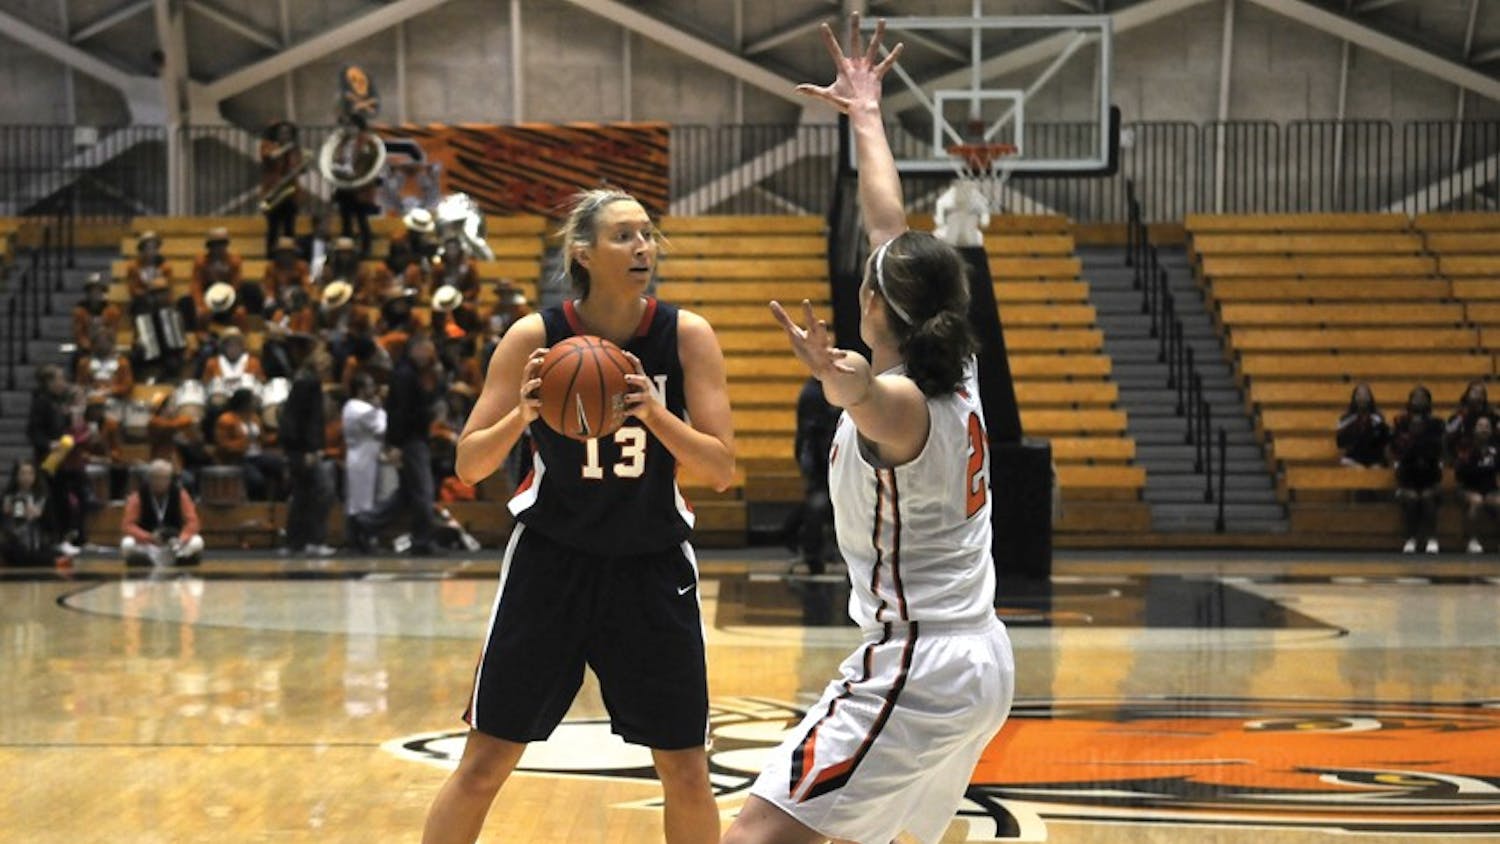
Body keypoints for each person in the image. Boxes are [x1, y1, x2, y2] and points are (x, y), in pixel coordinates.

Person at [722, 17, 1014, 844]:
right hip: (976, 655)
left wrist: (835, 378)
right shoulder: (954, 362)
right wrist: (866, 115)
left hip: (916, 664)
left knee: (756, 834)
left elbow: (875, 405)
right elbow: (890, 227)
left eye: (868, 281)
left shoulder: (902, 400)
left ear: (876, 305)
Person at [417, 185, 736, 844]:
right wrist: (525, 413)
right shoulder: (536, 336)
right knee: (484, 761)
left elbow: (721, 471)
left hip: (651, 565)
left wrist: (654, 411)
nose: (642, 246)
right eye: (624, 235)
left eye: (647, 234)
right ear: (583, 253)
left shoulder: (686, 336)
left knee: (684, 767)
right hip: (550, 563)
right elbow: (469, 465)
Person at [347, 334, 445, 555]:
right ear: (415, 349)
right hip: (410, 440)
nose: (430, 355)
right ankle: (421, 540)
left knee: (406, 495)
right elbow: (398, 413)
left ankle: (363, 523)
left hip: (414, 438)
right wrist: (397, 444)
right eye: (426, 349)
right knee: (422, 491)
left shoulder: (414, 374)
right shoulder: (404, 375)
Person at [278, 344, 336, 557]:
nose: (325, 368)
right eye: (322, 363)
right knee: (319, 495)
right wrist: (312, 449)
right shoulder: (309, 384)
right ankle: (313, 540)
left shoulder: (302, 381)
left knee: (302, 496)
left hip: (298, 449)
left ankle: (295, 542)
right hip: (305, 451)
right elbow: (308, 421)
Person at [26, 366, 85, 557]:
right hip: (48, 461)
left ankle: (63, 538)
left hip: (62, 459)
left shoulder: (58, 402)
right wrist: (48, 444)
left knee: (62, 498)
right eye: (59, 379)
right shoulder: (41, 403)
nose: (63, 383)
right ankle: (54, 538)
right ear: (49, 382)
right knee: (52, 499)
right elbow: (33, 432)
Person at [783, 376, 839, 575]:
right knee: (817, 504)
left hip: (829, 459)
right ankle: (812, 556)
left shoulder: (828, 390)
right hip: (819, 463)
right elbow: (808, 437)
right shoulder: (814, 393)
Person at [1390, 384, 1446, 554]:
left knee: (1428, 498)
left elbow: (1439, 449)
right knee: (1413, 499)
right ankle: (1410, 538)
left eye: (1423, 397)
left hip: (1430, 477)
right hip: (1407, 478)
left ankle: (1432, 538)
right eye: (1415, 397)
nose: (1419, 400)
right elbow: (1395, 449)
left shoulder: (1437, 424)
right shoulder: (1400, 422)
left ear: (1429, 402)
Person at [121, 460, 203, 567]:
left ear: (170, 479)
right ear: (150, 478)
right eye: (156, 477)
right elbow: (127, 525)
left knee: (197, 541)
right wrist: (149, 537)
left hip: (174, 544)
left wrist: (181, 539)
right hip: (148, 544)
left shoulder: (180, 494)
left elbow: (193, 522)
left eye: (164, 478)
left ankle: (180, 558)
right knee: (127, 543)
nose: (160, 481)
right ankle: (147, 561)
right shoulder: (138, 496)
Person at [214, 388, 284, 501]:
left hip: (257, 455)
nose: (254, 403)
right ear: (244, 403)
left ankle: (278, 500)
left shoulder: (254, 417)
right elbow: (223, 445)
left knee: (280, 464)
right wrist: (244, 442)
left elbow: (263, 439)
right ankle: (255, 504)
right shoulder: (226, 420)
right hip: (238, 458)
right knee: (256, 479)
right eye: (252, 400)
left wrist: (278, 435)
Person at [342, 371, 387, 539]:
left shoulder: (357, 407)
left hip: (366, 456)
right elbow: (381, 428)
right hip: (361, 457)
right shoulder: (356, 407)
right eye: (370, 385)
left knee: (364, 498)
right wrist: (379, 408)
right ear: (360, 389)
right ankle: (359, 539)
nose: (373, 389)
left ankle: (363, 537)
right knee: (360, 500)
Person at [330, 112, 381, 258]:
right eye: (347, 126)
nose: (349, 129)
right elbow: (337, 160)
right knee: (345, 220)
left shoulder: (366, 142)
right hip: (344, 186)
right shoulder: (342, 143)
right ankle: (347, 249)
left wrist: (356, 173)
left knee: (361, 219)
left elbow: (368, 161)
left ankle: (366, 249)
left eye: (352, 125)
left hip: (360, 187)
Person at [1454, 414, 1500, 554]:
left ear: (1492, 430)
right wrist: (1480, 463)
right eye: (1480, 426)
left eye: (1487, 427)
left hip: (1490, 489)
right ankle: (1472, 540)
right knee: (1477, 501)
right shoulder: (1465, 446)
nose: (1484, 429)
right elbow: (1461, 473)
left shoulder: (1496, 449)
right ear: (1474, 429)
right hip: (1467, 488)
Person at [259, 120, 303, 258]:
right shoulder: (268, 145)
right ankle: (270, 255)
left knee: (289, 227)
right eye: (282, 133)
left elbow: (300, 166)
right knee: (273, 227)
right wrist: (286, 148)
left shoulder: (295, 150)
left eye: (288, 133)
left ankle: (290, 254)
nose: (285, 135)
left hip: (290, 191)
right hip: (274, 191)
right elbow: (270, 157)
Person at [2, 459, 52, 567]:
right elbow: (17, 517)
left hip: (36, 541)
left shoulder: (42, 496)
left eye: (30, 473)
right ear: (16, 476)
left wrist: (34, 512)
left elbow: (44, 519)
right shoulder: (8, 496)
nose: (26, 477)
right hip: (14, 541)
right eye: (23, 473)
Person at [189, 227, 243, 325]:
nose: (218, 248)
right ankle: (203, 337)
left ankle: (239, 337)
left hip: (228, 296)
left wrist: (227, 302)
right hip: (207, 295)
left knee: (239, 314)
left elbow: (236, 286)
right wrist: (200, 304)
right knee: (202, 314)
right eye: (215, 245)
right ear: (209, 246)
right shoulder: (201, 262)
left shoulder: (234, 261)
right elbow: (196, 286)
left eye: (222, 244)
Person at [72, 273, 123, 361]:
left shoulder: (113, 311)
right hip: (87, 349)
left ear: (103, 292)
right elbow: (79, 334)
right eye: (92, 291)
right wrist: (88, 346)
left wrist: (104, 345)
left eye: (98, 290)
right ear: (87, 293)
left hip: (107, 347)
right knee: (77, 359)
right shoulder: (79, 311)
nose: (95, 294)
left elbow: (113, 332)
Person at [1336, 382, 1389, 467]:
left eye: (1365, 395)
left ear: (1370, 398)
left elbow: (1384, 440)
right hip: (1354, 457)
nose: (1362, 398)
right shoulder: (1345, 418)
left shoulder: (1378, 417)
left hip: (1375, 458)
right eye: (1359, 395)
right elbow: (1341, 443)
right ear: (1354, 398)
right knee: (1345, 462)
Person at [1445, 380, 1496, 462]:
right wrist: (1461, 416)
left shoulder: (1491, 414)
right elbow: (1449, 431)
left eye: (1481, 392)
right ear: (1467, 394)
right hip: (1463, 452)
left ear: (1484, 396)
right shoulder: (1459, 414)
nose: (1478, 394)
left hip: (1488, 452)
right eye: (1474, 391)